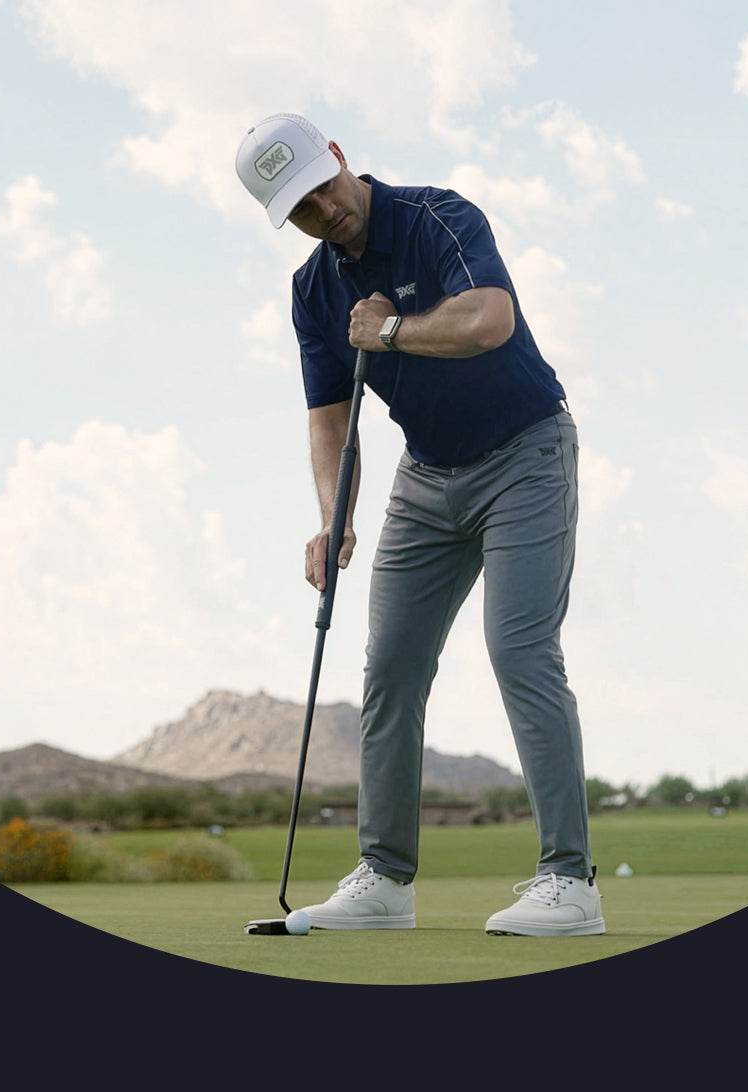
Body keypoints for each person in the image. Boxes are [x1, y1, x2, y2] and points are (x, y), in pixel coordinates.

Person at [235, 113, 604, 937]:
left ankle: (571, 881)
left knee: (520, 649)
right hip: (427, 478)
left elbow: (489, 319)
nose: (324, 211)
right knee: (391, 667)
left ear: (339, 156)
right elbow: (330, 417)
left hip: (526, 451)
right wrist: (334, 518)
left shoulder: (437, 216)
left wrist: (392, 330)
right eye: (300, 208)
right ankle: (385, 880)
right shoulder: (312, 291)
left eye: (323, 188)